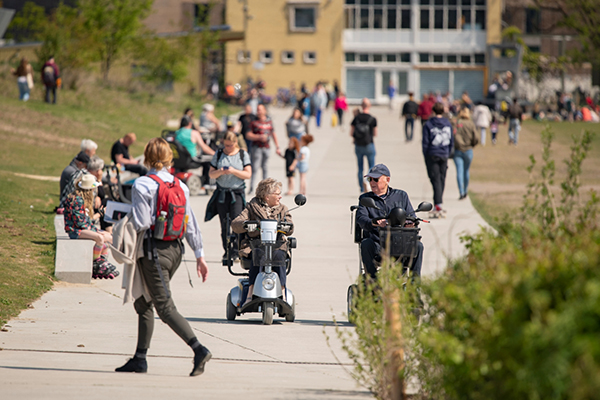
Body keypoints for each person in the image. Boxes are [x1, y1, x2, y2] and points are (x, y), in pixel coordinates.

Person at [115, 137, 211, 376]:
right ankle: (139, 358)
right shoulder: (181, 185)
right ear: (169, 158)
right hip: (176, 250)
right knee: (143, 301)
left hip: (153, 251)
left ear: (146, 157)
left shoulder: (142, 184)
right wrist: (200, 255)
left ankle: (199, 349)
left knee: (165, 307)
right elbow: (191, 224)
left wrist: (117, 223)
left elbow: (142, 221)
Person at [231, 178, 294, 305]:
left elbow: (291, 226)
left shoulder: (283, 209)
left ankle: (283, 292)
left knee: (280, 255)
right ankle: (250, 292)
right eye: (277, 194)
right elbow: (235, 223)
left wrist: (286, 227)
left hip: (276, 245)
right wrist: (246, 224)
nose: (280, 197)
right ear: (266, 196)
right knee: (258, 254)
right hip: (255, 245)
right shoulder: (251, 207)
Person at [356, 164, 423, 280]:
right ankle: (372, 280)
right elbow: (361, 219)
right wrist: (374, 222)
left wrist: (410, 223)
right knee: (366, 243)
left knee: (418, 246)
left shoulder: (401, 196)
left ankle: (414, 283)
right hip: (378, 244)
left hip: (400, 243)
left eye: (375, 179)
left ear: (387, 180)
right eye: (369, 179)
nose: (372, 182)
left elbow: (412, 216)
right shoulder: (365, 199)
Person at [206, 132, 252, 259]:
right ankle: (227, 251)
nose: (228, 148)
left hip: (236, 192)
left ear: (235, 143)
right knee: (224, 224)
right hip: (222, 192)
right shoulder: (219, 154)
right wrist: (220, 172)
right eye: (226, 145)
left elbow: (248, 174)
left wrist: (234, 171)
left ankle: (236, 251)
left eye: (230, 145)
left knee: (237, 222)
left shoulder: (242, 154)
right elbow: (211, 174)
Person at [63, 174, 117, 279]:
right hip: (75, 231)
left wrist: (97, 229)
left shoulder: (82, 199)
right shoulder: (77, 200)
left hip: (82, 229)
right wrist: (97, 232)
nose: (94, 191)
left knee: (108, 237)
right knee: (100, 238)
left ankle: (103, 261)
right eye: (93, 189)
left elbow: (86, 221)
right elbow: (80, 223)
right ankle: (96, 264)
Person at [422, 102, 453, 217]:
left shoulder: (428, 124)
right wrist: (448, 153)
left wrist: (425, 155)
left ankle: (438, 204)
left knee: (435, 179)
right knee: (441, 179)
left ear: (433, 111)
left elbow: (425, 142)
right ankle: (438, 202)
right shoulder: (448, 124)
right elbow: (451, 140)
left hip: (432, 154)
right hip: (444, 154)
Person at [247, 104, 282, 193]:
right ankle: (252, 188)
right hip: (257, 147)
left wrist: (277, 146)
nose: (259, 112)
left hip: (266, 147)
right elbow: (248, 135)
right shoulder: (253, 122)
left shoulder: (269, 121)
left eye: (260, 110)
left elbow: (273, 133)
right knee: (255, 167)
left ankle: (266, 188)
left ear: (264, 110)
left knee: (265, 167)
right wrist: (259, 137)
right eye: (258, 110)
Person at [350, 98, 378, 193]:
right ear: (369, 106)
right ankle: (367, 181)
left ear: (362, 106)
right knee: (371, 166)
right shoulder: (372, 119)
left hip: (358, 145)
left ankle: (361, 188)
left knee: (360, 168)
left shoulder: (356, 118)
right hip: (369, 144)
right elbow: (375, 133)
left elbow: (351, 133)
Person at [453, 108, 479, 200]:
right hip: (468, 149)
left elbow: (453, 136)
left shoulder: (457, 123)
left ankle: (461, 191)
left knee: (459, 171)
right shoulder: (470, 124)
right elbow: (476, 137)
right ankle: (466, 190)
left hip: (458, 150)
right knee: (466, 171)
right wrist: (472, 144)